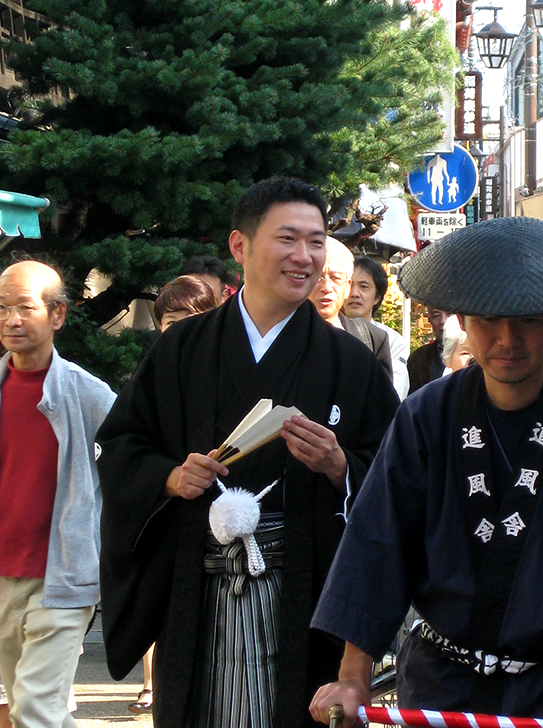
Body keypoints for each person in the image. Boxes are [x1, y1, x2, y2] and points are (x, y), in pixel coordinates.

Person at [308, 217, 543, 727]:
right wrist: (354, 675)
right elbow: (378, 543)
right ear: (463, 322)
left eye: (530, 320)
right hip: (441, 684)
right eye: (489, 320)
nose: (508, 339)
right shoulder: (428, 415)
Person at [97, 177, 401, 728]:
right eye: (288, 239)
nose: (304, 257)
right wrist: (168, 477)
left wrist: (339, 467)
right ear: (240, 246)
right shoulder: (182, 349)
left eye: (316, 241)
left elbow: (395, 474)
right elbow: (121, 444)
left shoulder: (349, 362)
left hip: (303, 590)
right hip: (198, 585)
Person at [0, 260, 116, 728]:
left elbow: (132, 466)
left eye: (25, 308)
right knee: (29, 706)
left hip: (62, 578)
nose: (11, 319)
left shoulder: (87, 394)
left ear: (58, 314)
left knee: (35, 711)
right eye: (3, 308)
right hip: (3, 575)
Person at [129, 274, 222, 715]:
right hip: (179, 543)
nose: (183, 328)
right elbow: (121, 451)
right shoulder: (153, 373)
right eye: (172, 320)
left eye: (194, 318)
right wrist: (168, 477)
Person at [310, 237, 394, 381]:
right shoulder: (281, 334)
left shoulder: (374, 339)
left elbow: (383, 401)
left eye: (335, 278)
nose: (327, 288)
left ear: (347, 286)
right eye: (318, 277)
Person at [343, 256, 410, 399]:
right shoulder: (326, 331)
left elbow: (395, 394)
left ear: (377, 297)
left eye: (364, 287)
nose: (354, 293)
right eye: (349, 285)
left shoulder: (392, 341)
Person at [407, 306, 449, 394]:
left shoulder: (475, 354)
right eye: (436, 316)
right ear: (429, 320)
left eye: (449, 314)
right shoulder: (418, 359)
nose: (443, 321)